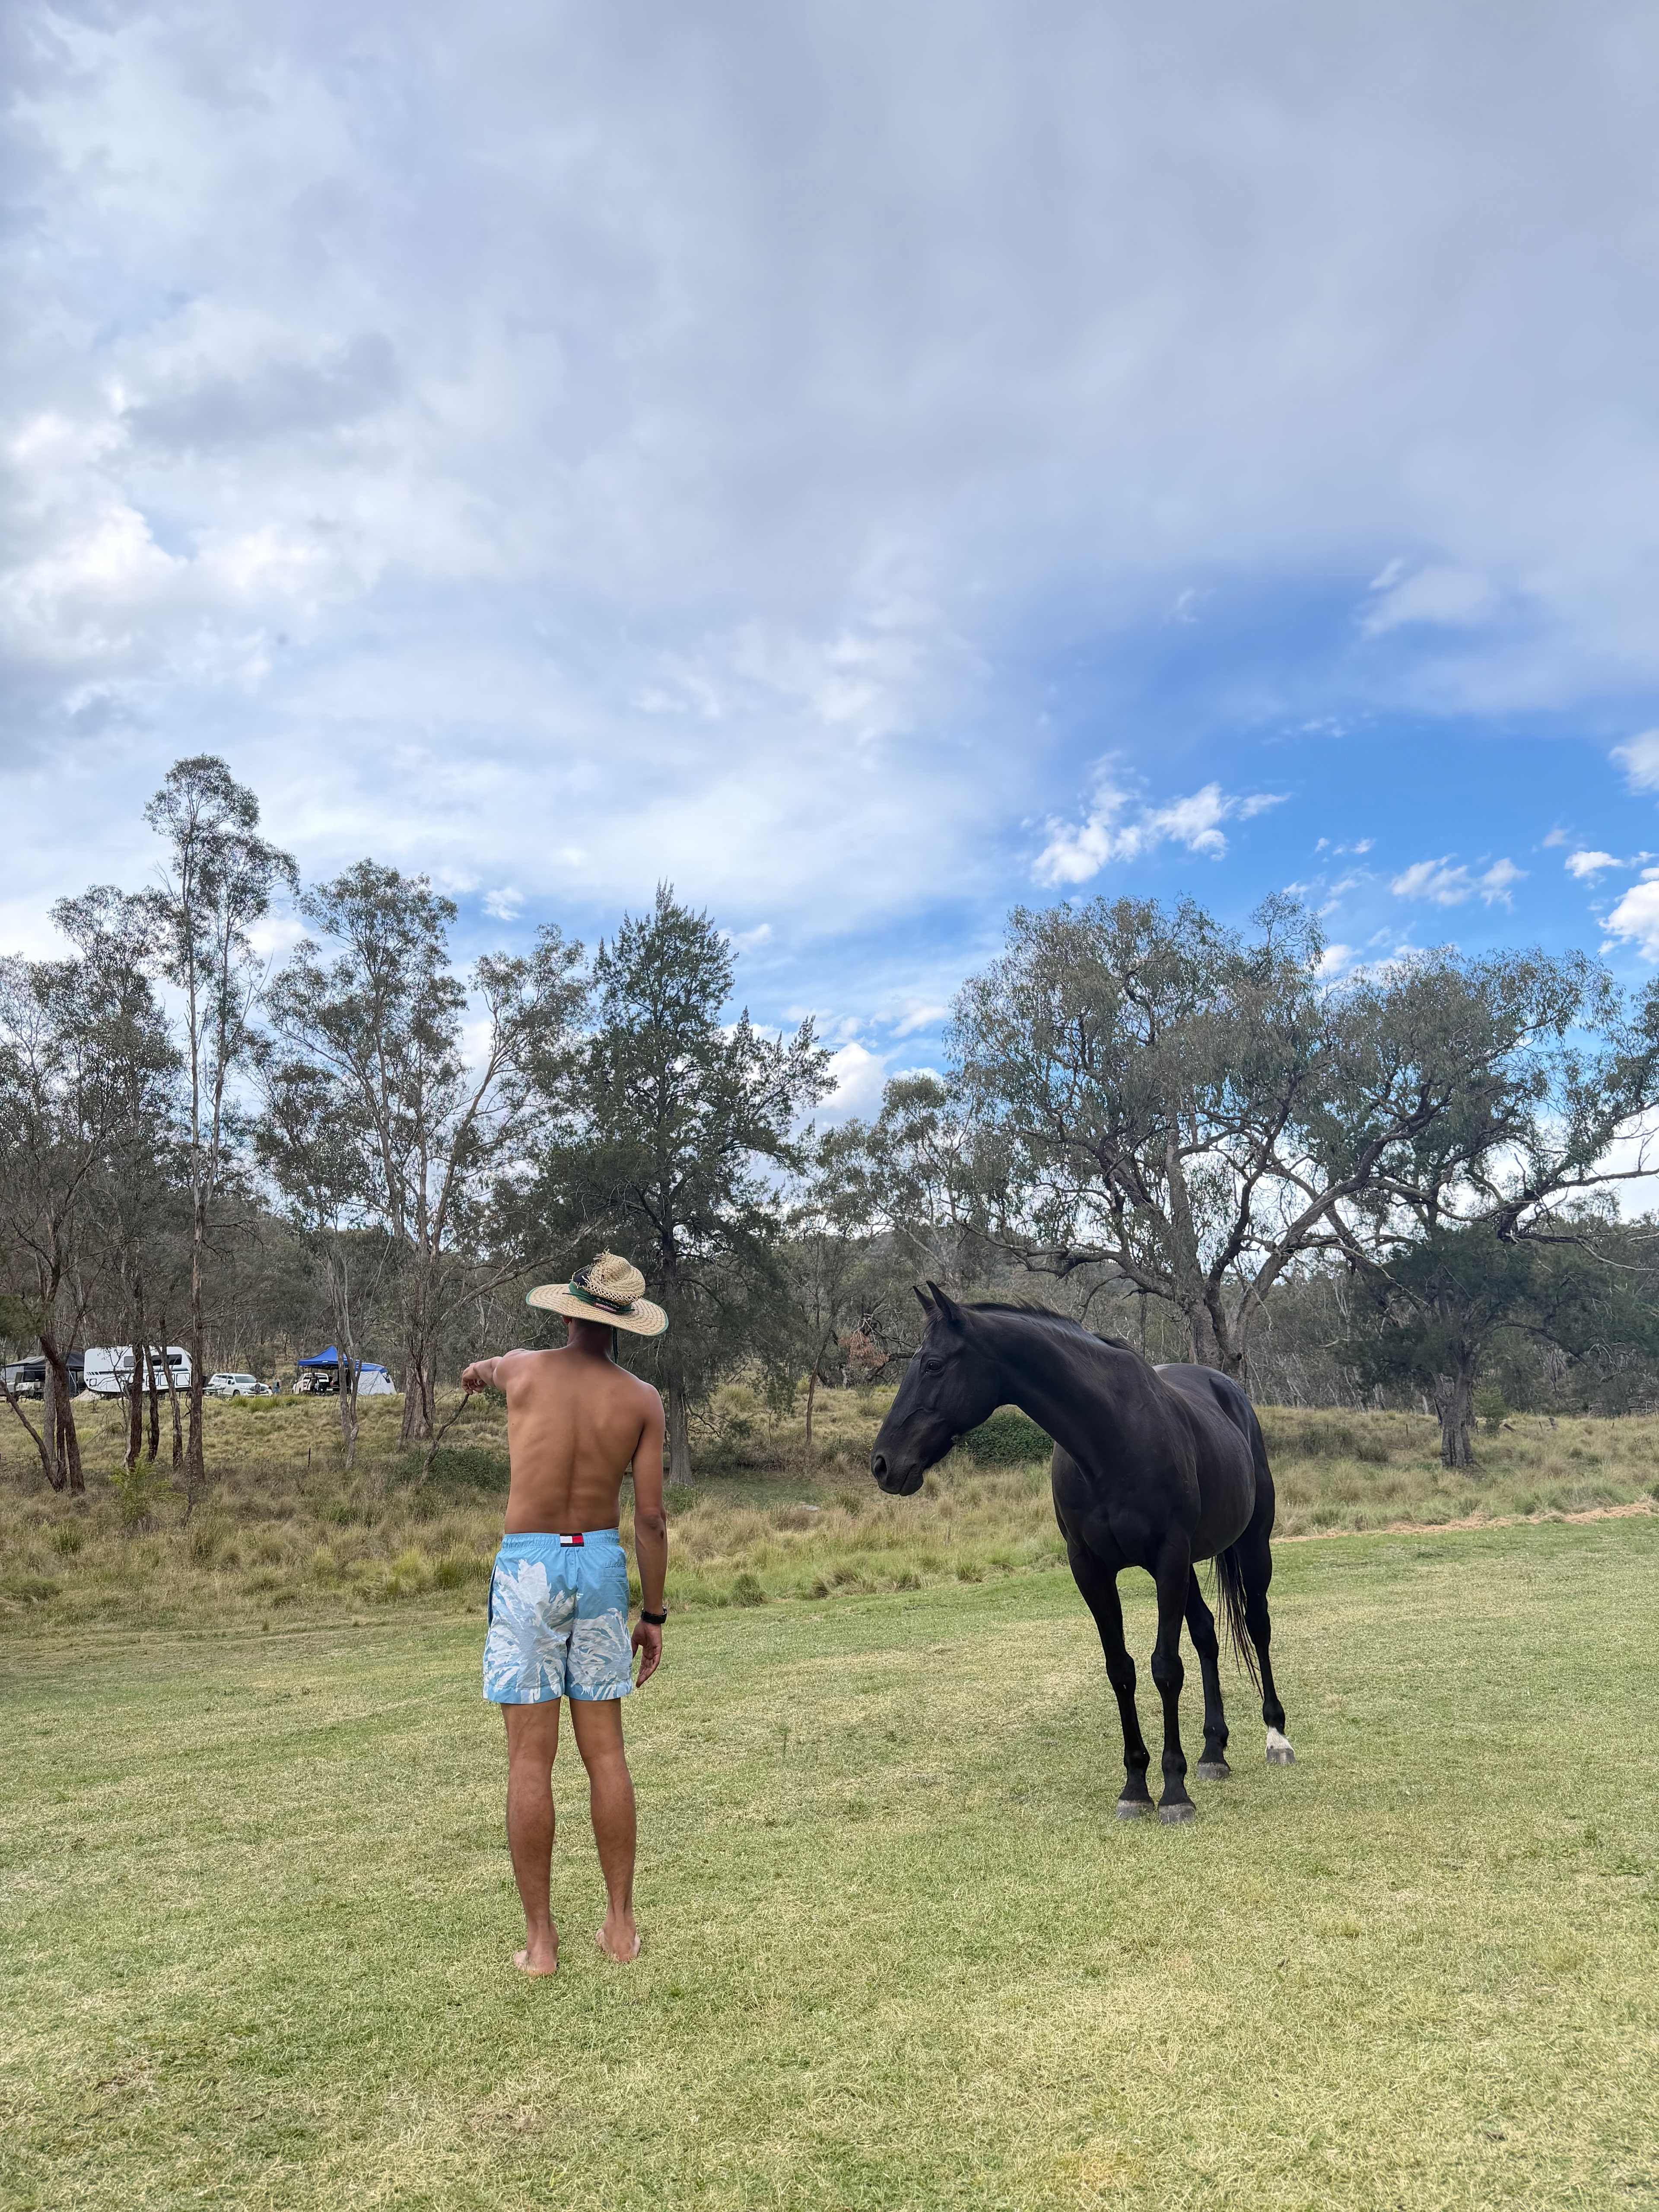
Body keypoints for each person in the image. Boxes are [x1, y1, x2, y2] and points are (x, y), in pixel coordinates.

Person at [461, 1252, 669, 1974]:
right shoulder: (642, 1400)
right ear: (624, 1324)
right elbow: (651, 1519)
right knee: (606, 1753)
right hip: (601, 1563)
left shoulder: (522, 1370)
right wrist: (655, 1615)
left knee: (530, 1759)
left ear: (565, 1312)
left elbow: (489, 1368)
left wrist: (476, 1371)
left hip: (529, 1565)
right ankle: (619, 1928)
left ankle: (542, 1942)